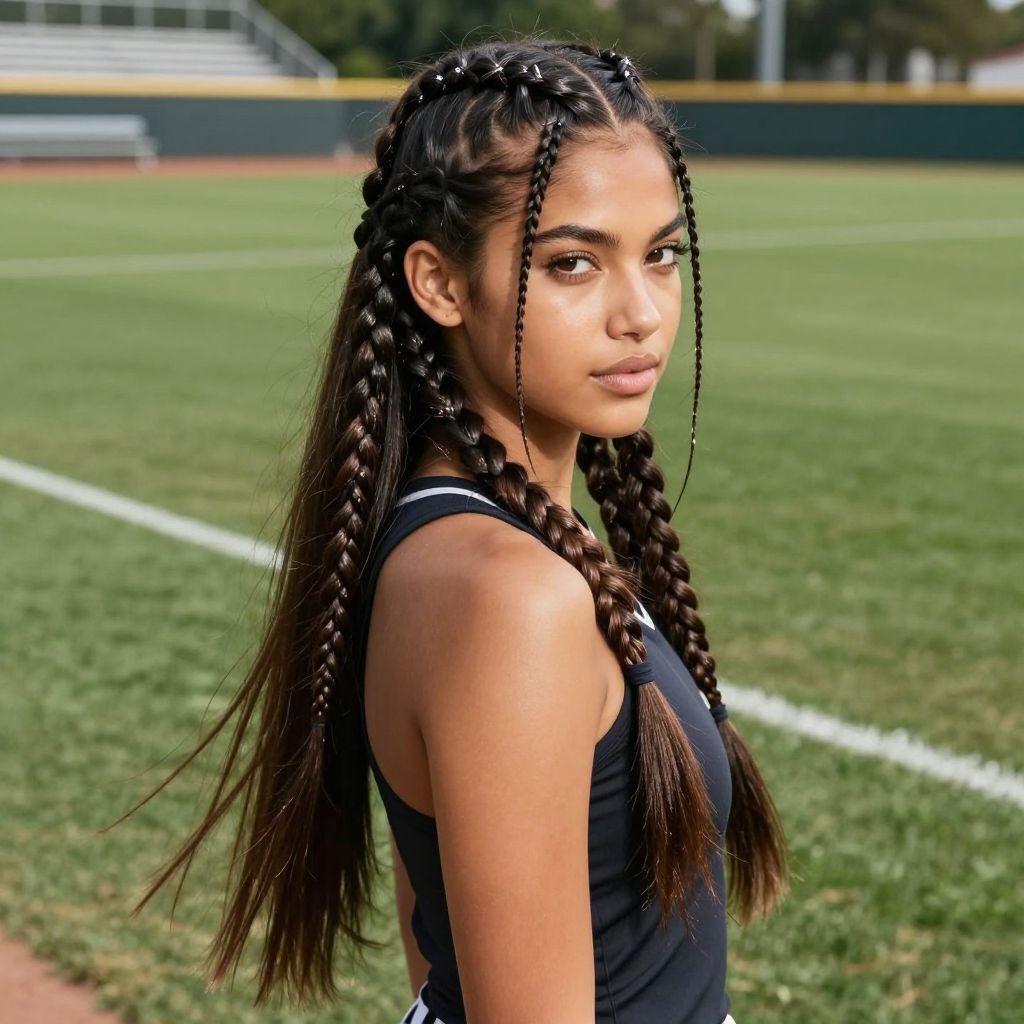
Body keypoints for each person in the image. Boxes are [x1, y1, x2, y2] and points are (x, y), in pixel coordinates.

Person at [109, 35, 789, 1024]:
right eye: (572, 263)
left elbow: (442, 945)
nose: (640, 311)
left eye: (663, 254)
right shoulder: (509, 593)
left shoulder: (466, 545)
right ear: (438, 283)